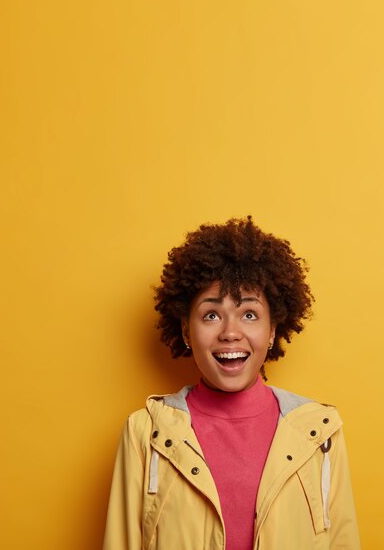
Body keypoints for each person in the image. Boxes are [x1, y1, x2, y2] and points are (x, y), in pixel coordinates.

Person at [102, 217, 360, 550]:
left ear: (271, 331)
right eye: (211, 315)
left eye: (249, 314)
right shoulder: (145, 433)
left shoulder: (321, 433)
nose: (230, 332)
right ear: (185, 331)